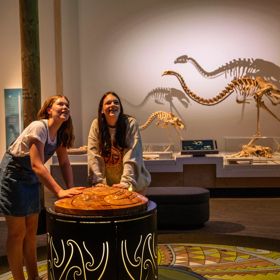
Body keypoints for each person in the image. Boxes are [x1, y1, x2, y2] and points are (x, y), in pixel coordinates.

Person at [0, 95, 84, 280]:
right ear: (49, 109)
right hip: (13, 176)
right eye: (60, 104)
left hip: (30, 178)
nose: (65, 107)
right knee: (17, 233)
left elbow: (64, 162)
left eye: (67, 105)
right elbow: (37, 164)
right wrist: (60, 191)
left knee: (31, 232)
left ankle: (33, 277)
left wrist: (71, 189)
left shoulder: (61, 133)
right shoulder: (40, 127)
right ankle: (18, 278)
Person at [88, 91, 151, 194]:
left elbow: (132, 154)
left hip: (132, 185)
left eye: (116, 102)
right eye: (108, 103)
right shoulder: (96, 125)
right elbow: (93, 155)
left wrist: (126, 182)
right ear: (101, 110)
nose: (112, 104)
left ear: (120, 108)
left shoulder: (131, 124)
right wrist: (98, 181)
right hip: (106, 186)